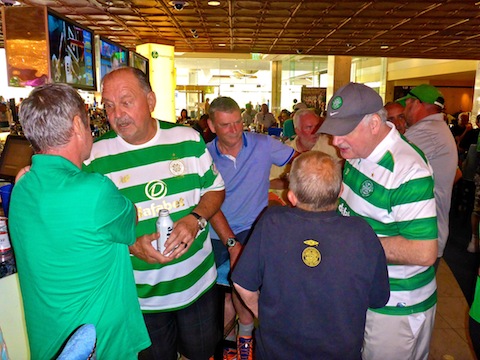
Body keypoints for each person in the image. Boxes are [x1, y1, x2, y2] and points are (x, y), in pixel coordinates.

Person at [83, 67, 225, 360]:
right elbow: (88, 227)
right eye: (108, 106)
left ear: (150, 100)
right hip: (140, 298)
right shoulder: (95, 157)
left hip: (197, 285)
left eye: (126, 101)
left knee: (203, 352)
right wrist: (131, 244)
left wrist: (195, 219)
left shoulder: (187, 139)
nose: (117, 114)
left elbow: (215, 189)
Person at [9, 83, 151, 359]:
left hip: (50, 342)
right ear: (77, 125)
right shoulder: (95, 191)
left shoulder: (22, 188)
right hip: (100, 345)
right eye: (87, 124)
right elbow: (129, 219)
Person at [232, 151, 390, 359]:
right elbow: (378, 298)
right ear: (340, 190)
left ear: (291, 196)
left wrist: (265, 316)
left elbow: (242, 283)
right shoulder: (362, 232)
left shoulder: (271, 222)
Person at [319, 82, 438, 360]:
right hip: (364, 291)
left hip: (396, 306)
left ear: (374, 123)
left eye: (344, 132)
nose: (336, 142)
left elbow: (424, 252)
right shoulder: (358, 154)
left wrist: (349, 243)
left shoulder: (408, 170)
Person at [206, 96, 295, 360]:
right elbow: (205, 201)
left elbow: (300, 161)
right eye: (226, 125)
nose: (234, 130)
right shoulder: (203, 154)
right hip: (213, 228)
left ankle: (244, 342)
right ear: (211, 126)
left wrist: (290, 184)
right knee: (210, 292)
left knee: (243, 281)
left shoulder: (263, 144)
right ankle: (228, 342)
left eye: (238, 123)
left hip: (251, 227)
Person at [398, 84, 457, 268]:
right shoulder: (435, 129)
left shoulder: (426, 132)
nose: (404, 114)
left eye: (406, 107)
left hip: (422, 234)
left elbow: (388, 160)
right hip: (427, 231)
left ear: (417, 104)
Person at [270, 108, 340, 203]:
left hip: (324, 207)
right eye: (309, 127)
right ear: (297, 131)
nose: (315, 131)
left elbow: (345, 166)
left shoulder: (331, 145)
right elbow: (269, 183)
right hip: (289, 208)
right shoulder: (285, 151)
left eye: (317, 127)